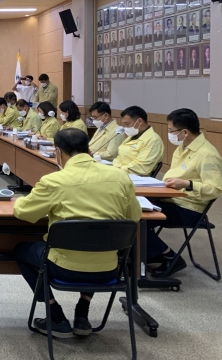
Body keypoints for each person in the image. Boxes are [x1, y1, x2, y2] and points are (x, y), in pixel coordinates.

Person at [13, 129, 141, 338]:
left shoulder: (55, 181)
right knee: (95, 241)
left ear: (58, 152)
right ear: (88, 150)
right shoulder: (120, 178)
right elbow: (134, 217)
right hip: (108, 269)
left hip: (63, 268)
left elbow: (23, 213)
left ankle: (55, 315)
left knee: (20, 251)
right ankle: (82, 312)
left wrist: (18, 200)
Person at [146, 109, 222, 277]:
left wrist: (187, 184)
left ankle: (170, 257)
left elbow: (215, 189)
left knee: (140, 220)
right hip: (172, 199)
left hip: (189, 208)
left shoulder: (207, 154)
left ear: (185, 132)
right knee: (131, 211)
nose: (169, 134)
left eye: (171, 130)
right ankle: (147, 254)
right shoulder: (182, 148)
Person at [113, 106, 164, 177]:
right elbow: (119, 157)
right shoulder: (133, 136)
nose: (125, 127)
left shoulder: (153, 140)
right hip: (121, 173)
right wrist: (116, 167)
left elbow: (142, 166)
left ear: (139, 121)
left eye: (127, 124)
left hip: (136, 178)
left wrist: (119, 169)